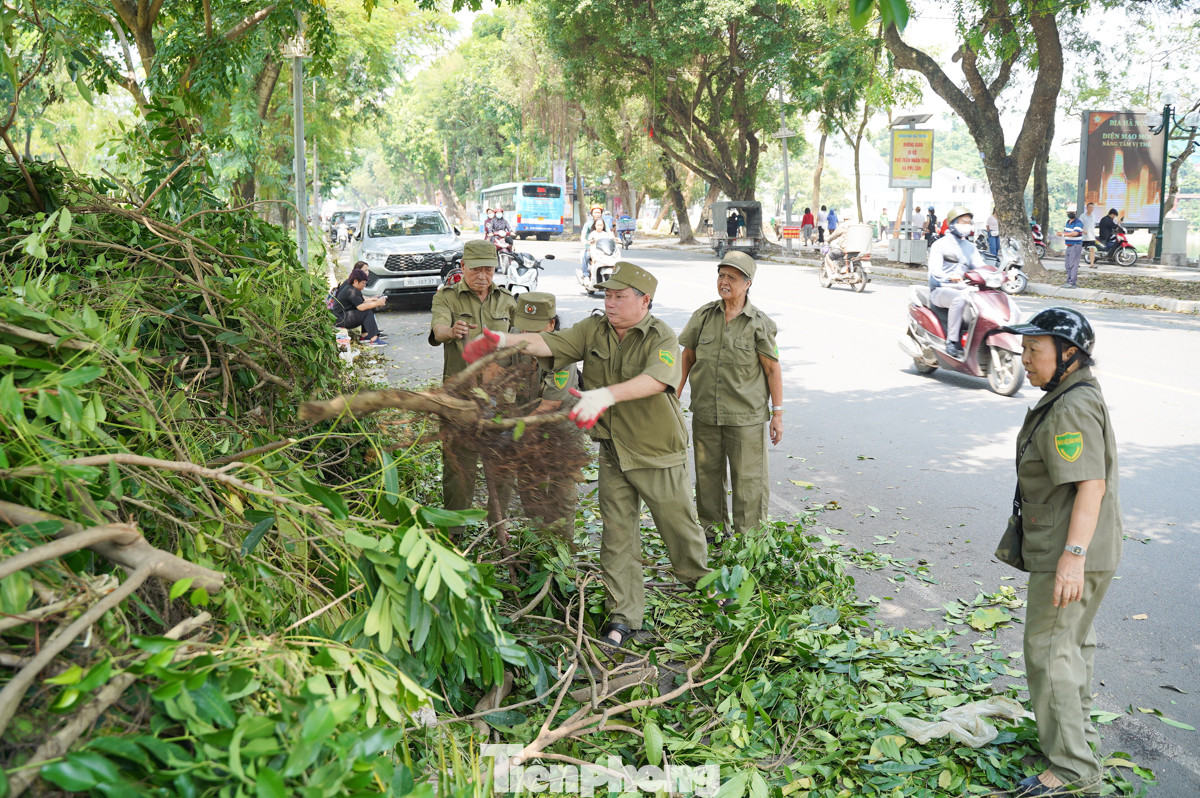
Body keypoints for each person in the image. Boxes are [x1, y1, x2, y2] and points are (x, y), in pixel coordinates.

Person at [460, 262, 713, 647]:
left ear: (644, 301)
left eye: (619, 296)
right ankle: (625, 615)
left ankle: (706, 585)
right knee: (616, 535)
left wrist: (606, 394)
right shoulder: (593, 329)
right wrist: (502, 340)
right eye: (607, 295)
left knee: (678, 528)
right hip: (613, 448)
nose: (610, 303)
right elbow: (549, 344)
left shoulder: (660, 335)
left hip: (656, 448)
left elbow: (658, 379)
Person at [998, 307, 1121, 797]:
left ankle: (1073, 772)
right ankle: (1077, 743)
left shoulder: (1069, 406)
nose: (1024, 358)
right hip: (1085, 547)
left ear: (1068, 355)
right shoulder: (1071, 393)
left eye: (1035, 350)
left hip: (1070, 551)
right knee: (1071, 650)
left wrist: (1072, 557)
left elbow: (1090, 486)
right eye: (1024, 349)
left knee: (1048, 653)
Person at [678, 252, 783, 540]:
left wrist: (778, 415)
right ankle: (712, 537)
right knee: (708, 479)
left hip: (745, 417)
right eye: (721, 275)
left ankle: (749, 543)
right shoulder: (702, 316)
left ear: (747, 284)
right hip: (706, 413)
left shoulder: (760, 323)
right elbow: (686, 360)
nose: (724, 282)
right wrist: (671, 401)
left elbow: (773, 370)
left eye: (732, 278)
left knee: (749, 482)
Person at [428, 239, 516, 521]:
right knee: (458, 467)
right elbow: (438, 329)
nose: (482, 277)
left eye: (489, 270)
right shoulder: (447, 297)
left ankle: (497, 528)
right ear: (463, 267)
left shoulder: (507, 300)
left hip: (502, 398)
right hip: (460, 398)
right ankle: (454, 531)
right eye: (476, 270)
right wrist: (451, 331)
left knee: (502, 465)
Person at [505, 292, 579, 548]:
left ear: (551, 324)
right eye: (523, 327)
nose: (528, 335)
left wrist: (508, 429)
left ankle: (563, 550)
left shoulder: (563, 351)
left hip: (561, 431)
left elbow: (550, 405)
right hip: (527, 426)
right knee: (529, 486)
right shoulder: (515, 338)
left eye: (535, 330)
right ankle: (538, 545)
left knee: (561, 491)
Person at [926, 205, 986, 358]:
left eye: (969, 223)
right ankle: (952, 341)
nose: (966, 226)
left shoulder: (970, 247)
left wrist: (999, 275)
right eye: (963, 222)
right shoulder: (939, 245)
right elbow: (935, 271)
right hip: (941, 289)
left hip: (964, 288)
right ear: (952, 223)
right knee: (959, 300)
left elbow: (981, 267)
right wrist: (949, 277)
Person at [332, 266, 386, 346]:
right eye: (363, 283)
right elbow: (361, 307)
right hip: (341, 319)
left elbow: (362, 302)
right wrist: (377, 303)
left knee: (369, 307)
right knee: (366, 311)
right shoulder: (351, 290)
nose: (364, 285)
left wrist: (374, 300)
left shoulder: (352, 288)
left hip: (343, 317)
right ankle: (374, 339)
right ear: (356, 281)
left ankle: (365, 335)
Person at [579, 205, 606, 280]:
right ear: (592, 214)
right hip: (591, 247)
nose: (597, 214)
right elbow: (583, 235)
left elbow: (609, 234)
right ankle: (586, 275)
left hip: (603, 248)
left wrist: (614, 239)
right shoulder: (587, 224)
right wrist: (584, 241)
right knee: (585, 256)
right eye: (595, 212)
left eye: (599, 212)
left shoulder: (604, 223)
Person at [1062, 209, 1085, 288]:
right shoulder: (1068, 222)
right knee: (1067, 265)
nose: (1071, 214)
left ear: (1075, 213)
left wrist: (1063, 235)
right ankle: (1068, 281)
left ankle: (1072, 283)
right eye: (1069, 213)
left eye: (1072, 213)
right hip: (1068, 245)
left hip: (1075, 245)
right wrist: (1062, 233)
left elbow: (1075, 233)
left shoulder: (1078, 222)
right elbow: (1065, 232)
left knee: (1073, 265)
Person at [1079, 202, 1098, 268]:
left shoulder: (1093, 217)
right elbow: (1079, 224)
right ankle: (1076, 263)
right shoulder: (1082, 216)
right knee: (1079, 250)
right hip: (1083, 237)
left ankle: (1092, 264)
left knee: (1092, 250)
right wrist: (1083, 230)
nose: (1090, 209)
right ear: (1087, 208)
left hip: (1091, 236)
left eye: (1092, 207)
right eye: (1089, 207)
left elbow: (1094, 226)